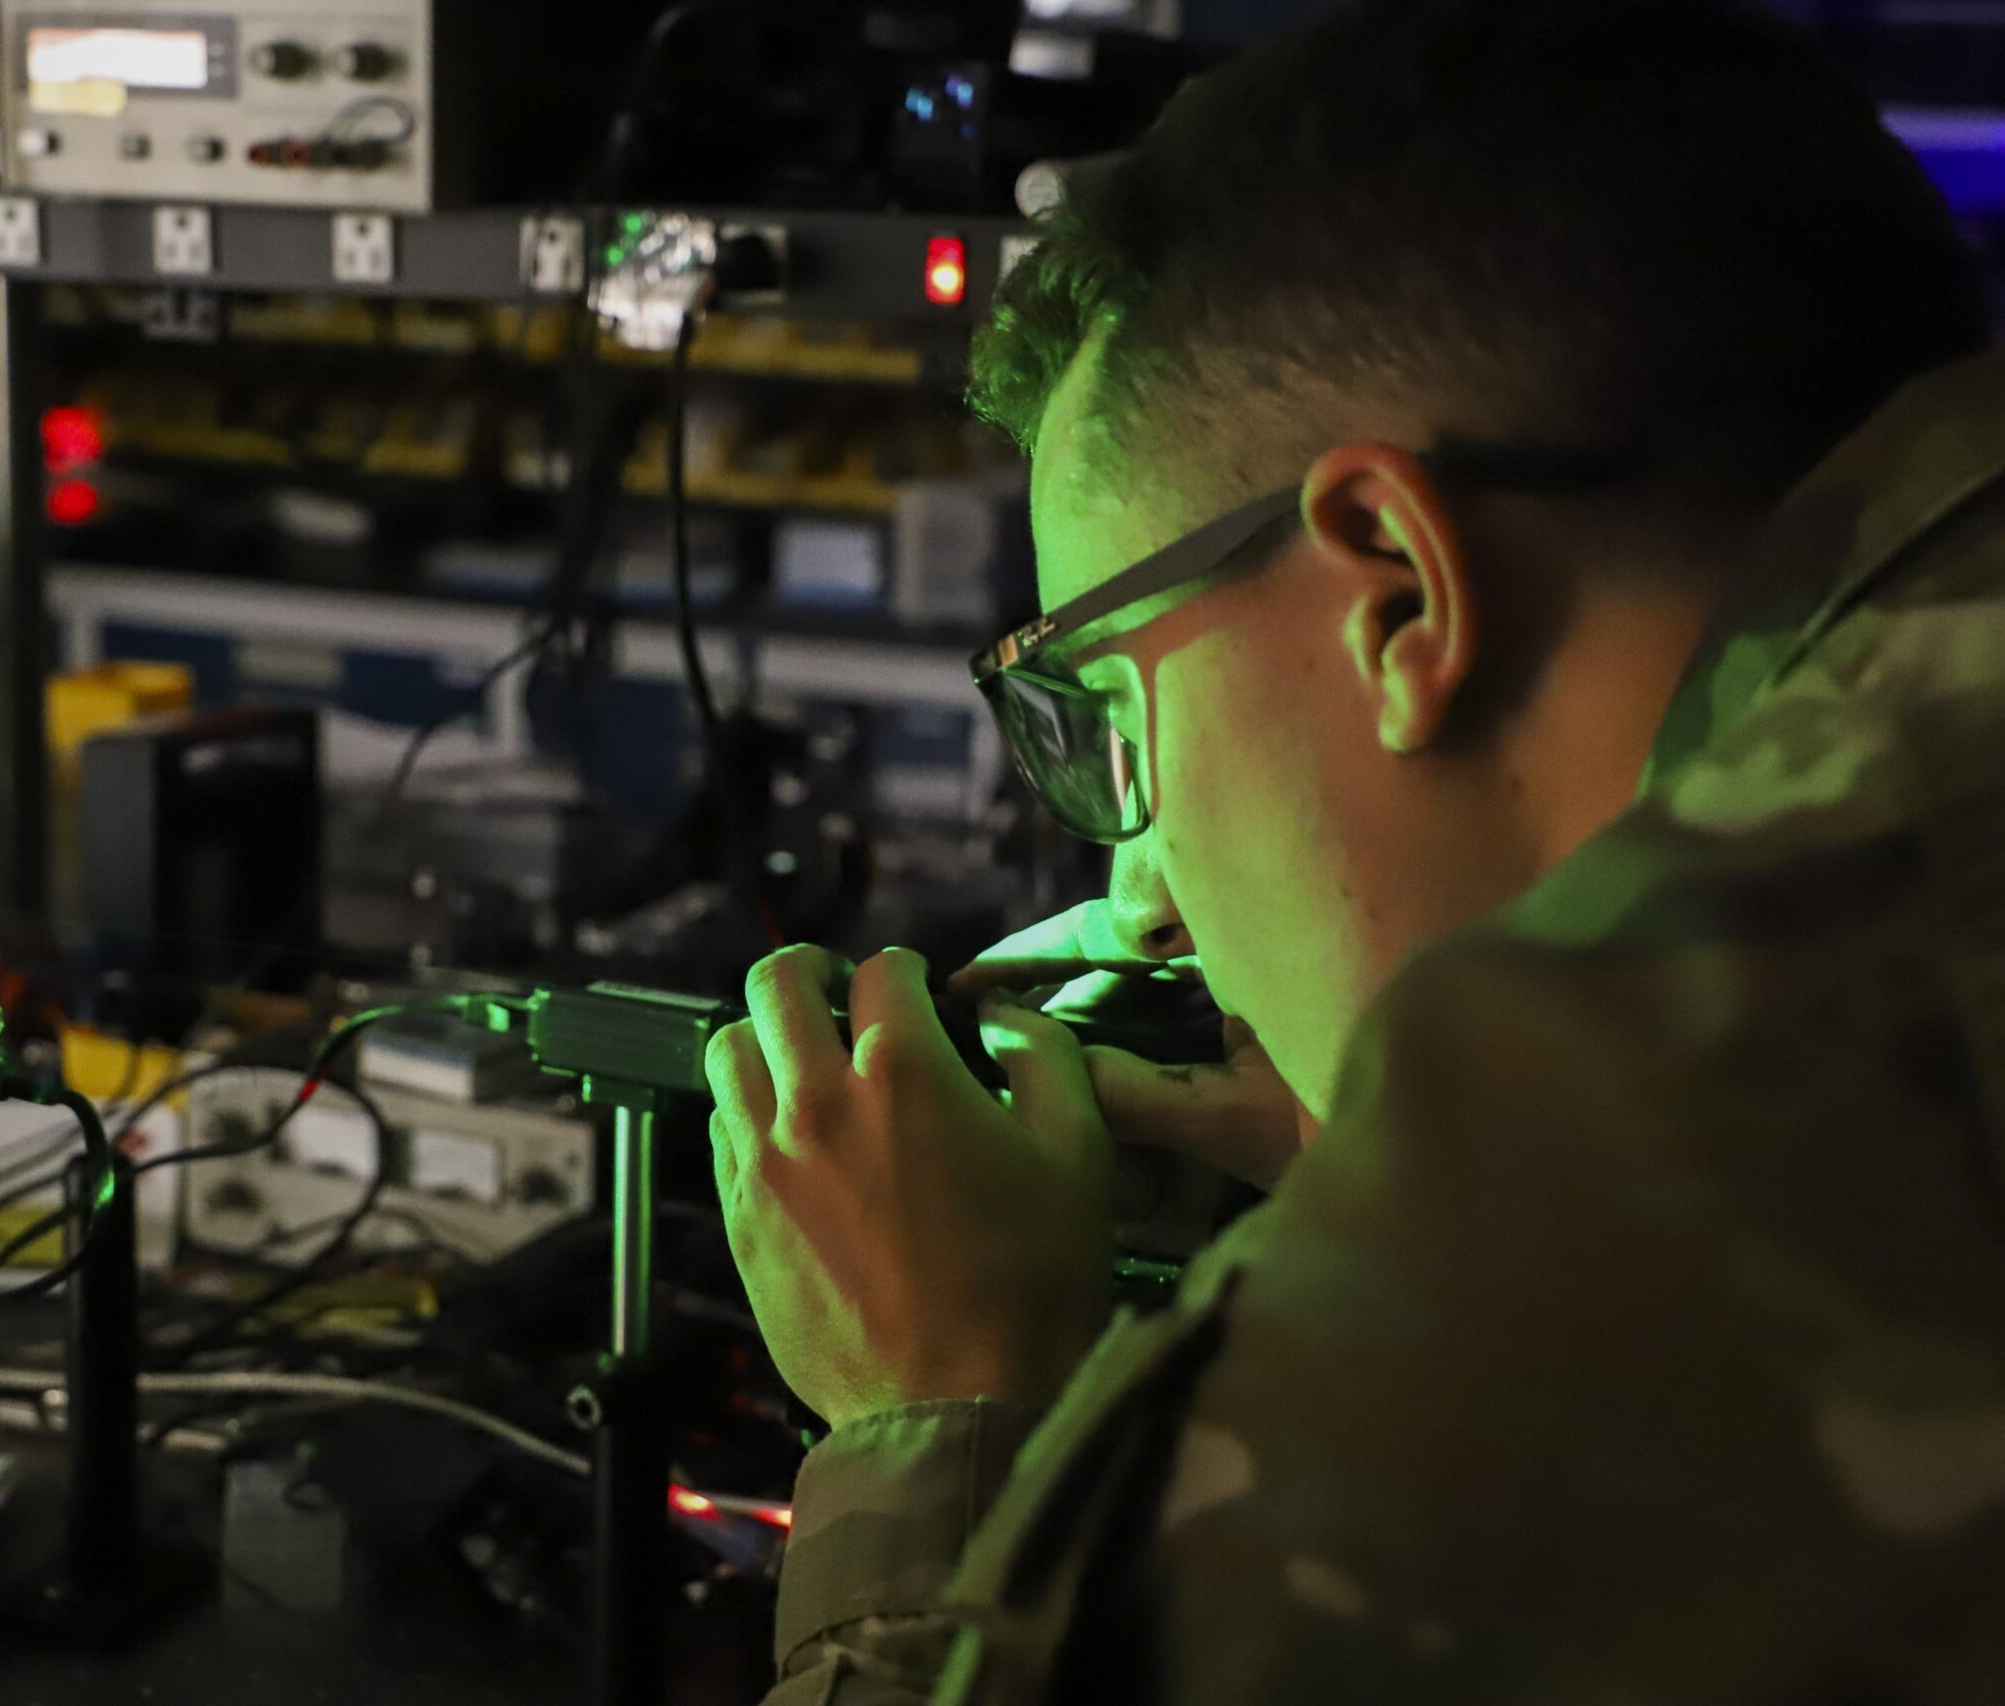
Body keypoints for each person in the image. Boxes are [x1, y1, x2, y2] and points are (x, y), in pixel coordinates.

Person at [702, 0, 2005, 1699]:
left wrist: (933, 1410)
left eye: (1111, 719)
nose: (1139, 892)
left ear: (1395, 589)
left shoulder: (1623, 1187)